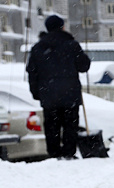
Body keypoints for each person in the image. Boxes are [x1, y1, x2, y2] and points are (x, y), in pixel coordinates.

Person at [26, 14, 91, 159]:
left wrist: (36, 93)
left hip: (48, 95)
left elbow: (32, 72)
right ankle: (68, 153)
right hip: (70, 94)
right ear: (62, 27)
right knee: (70, 124)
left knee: (51, 125)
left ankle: (54, 153)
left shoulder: (38, 48)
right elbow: (84, 66)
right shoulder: (72, 45)